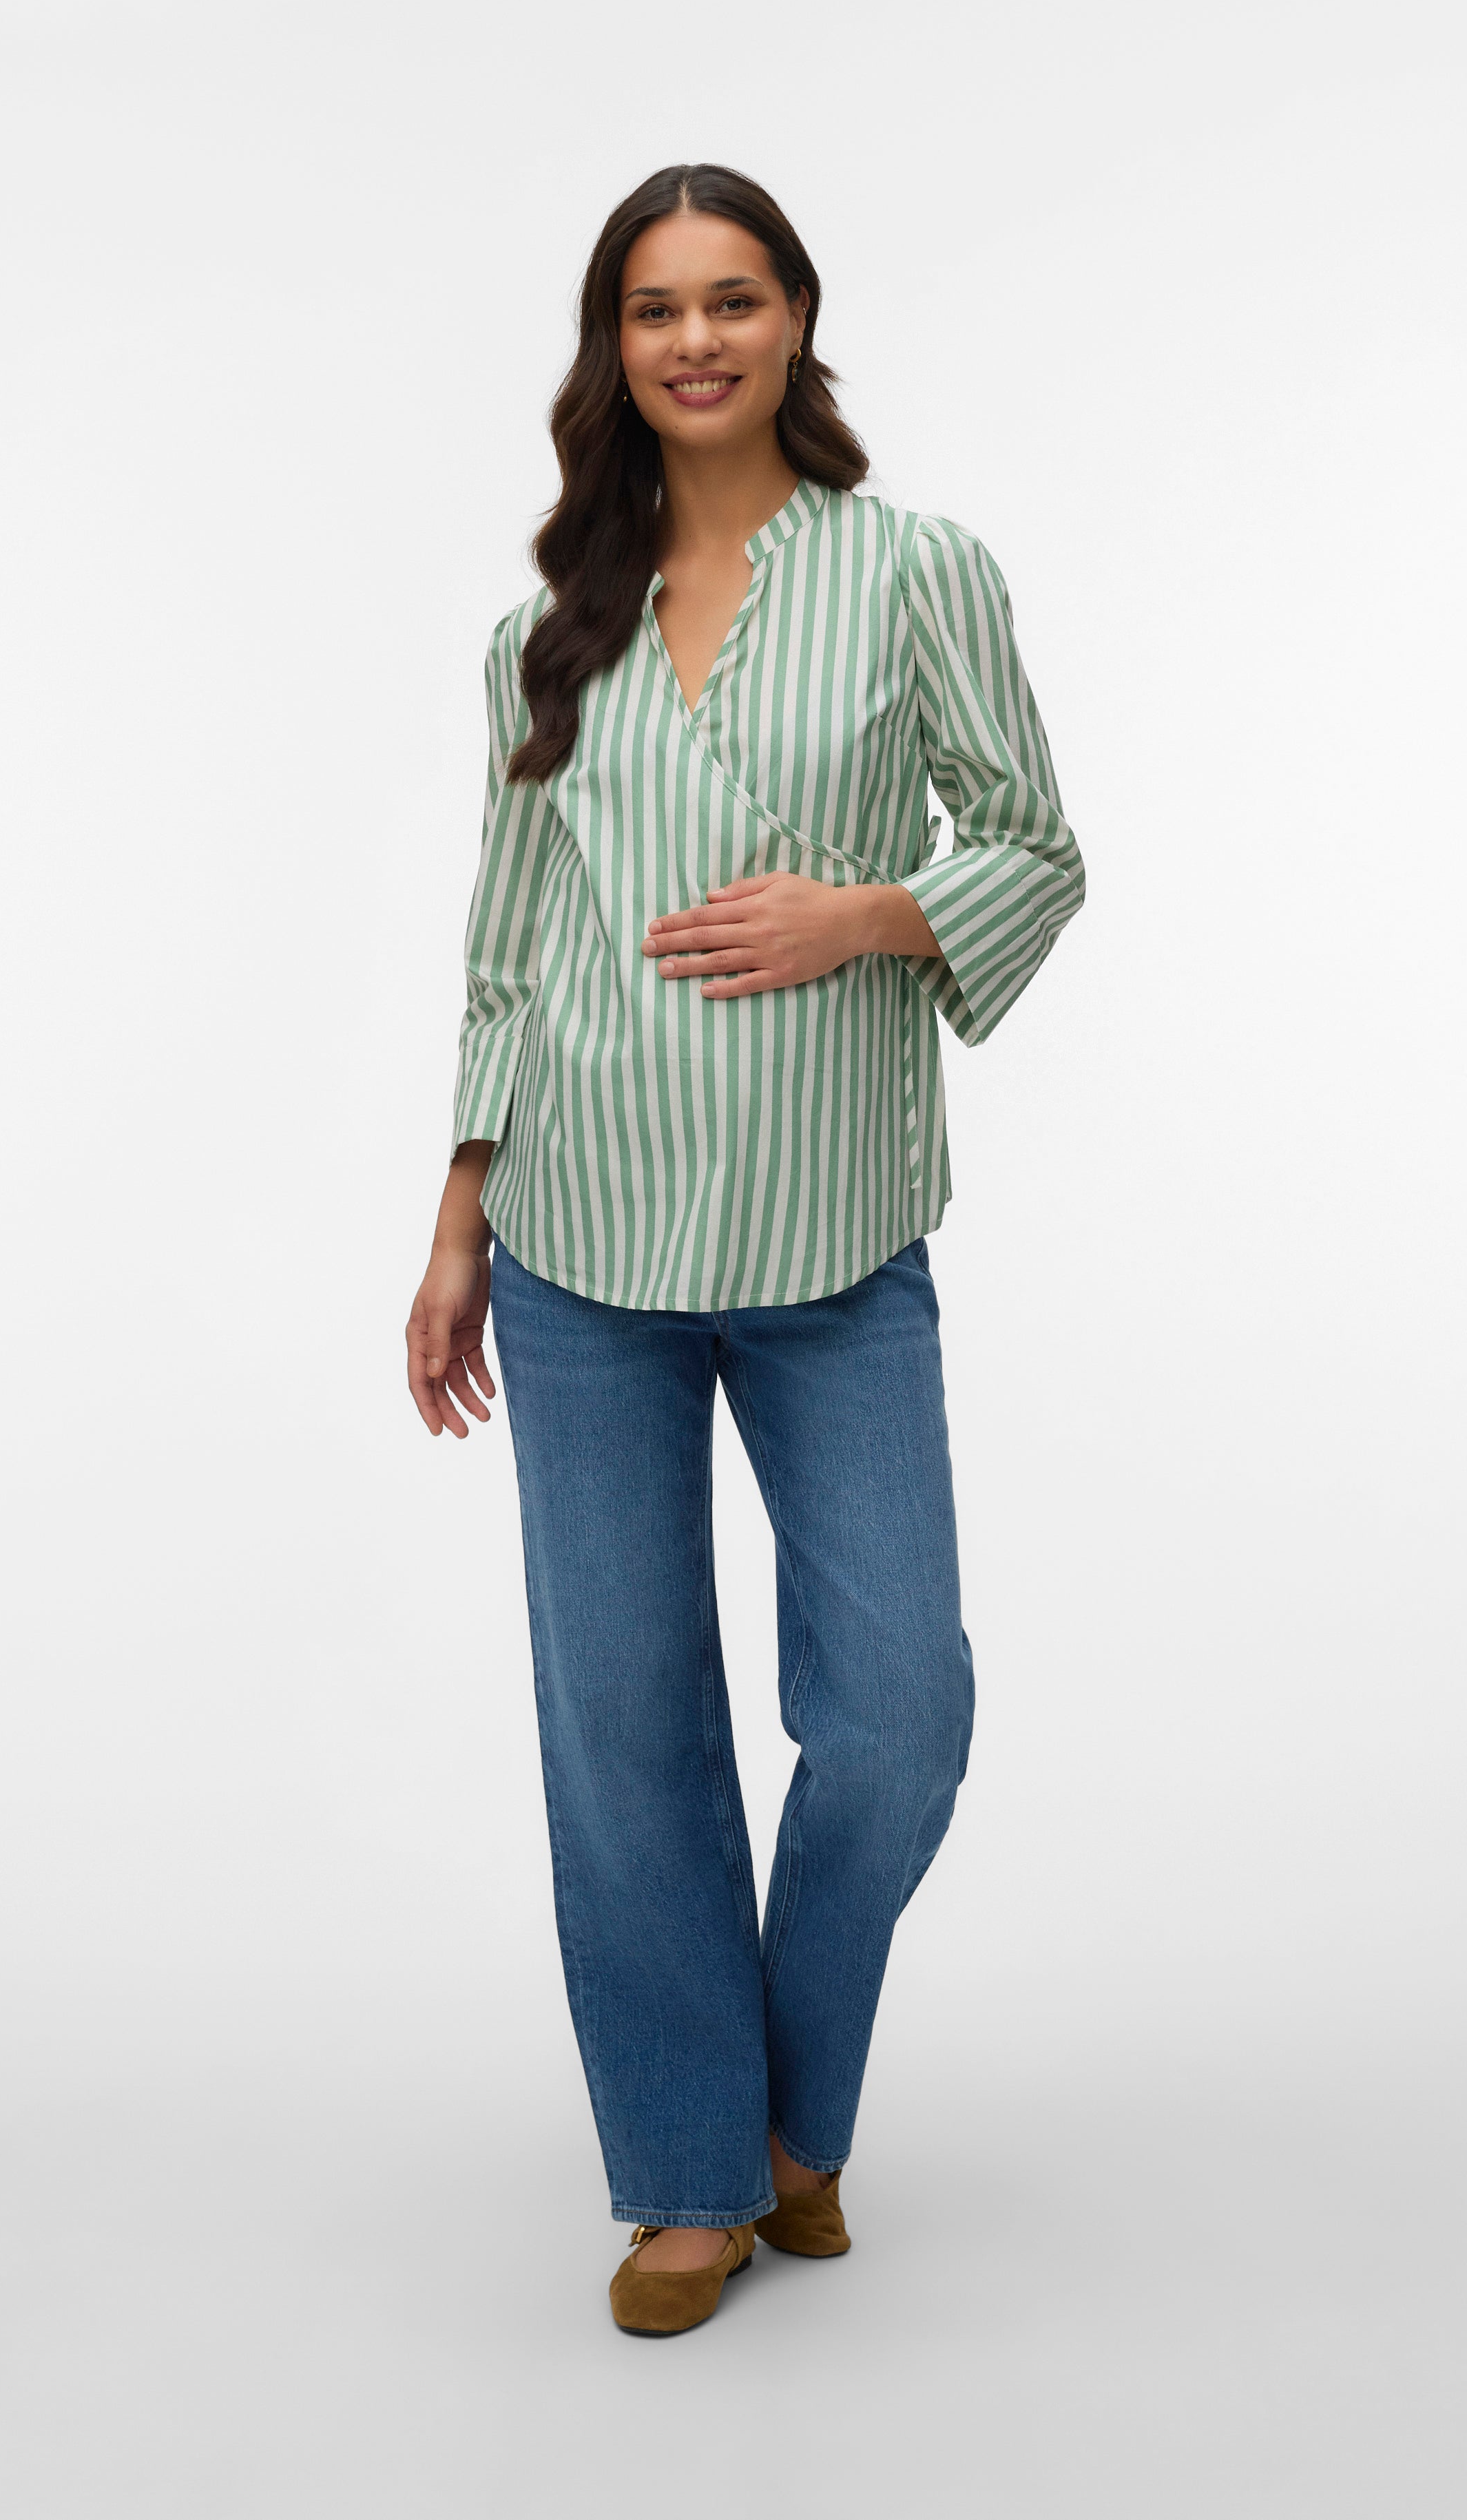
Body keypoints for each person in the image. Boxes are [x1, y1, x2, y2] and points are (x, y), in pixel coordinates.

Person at [406, 162, 1085, 2336]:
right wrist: (457, 1215)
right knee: (622, 1729)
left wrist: (864, 913)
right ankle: (695, 2171)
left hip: (831, 1237)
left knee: (896, 1717)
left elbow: (1035, 846)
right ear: (610, 348)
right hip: (579, 1235)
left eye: (730, 297)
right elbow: (508, 944)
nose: (692, 339)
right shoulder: (545, 629)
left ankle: (794, 2103)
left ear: (795, 315)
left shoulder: (913, 572)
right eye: (651, 308)